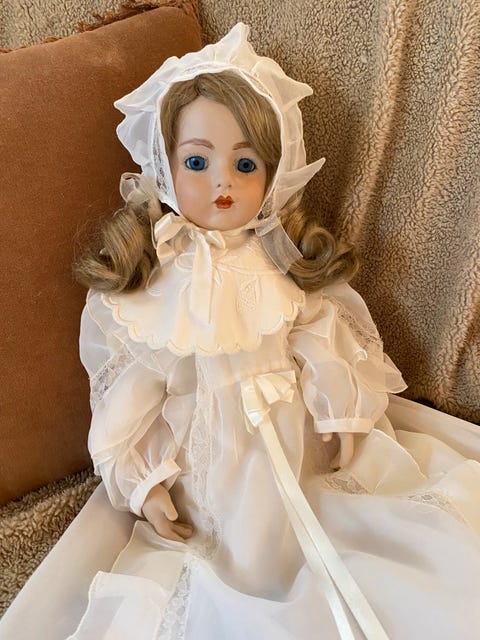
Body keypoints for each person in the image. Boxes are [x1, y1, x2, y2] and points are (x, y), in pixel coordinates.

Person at [69, 23, 480, 640]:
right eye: (197, 161)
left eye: (246, 163)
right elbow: (132, 394)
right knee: (246, 563)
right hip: (211, 461)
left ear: (274, 171)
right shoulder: (159, 283)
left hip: (295, 438)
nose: (223, 183)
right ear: (165, 165)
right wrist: (143, 480)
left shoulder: (275, 259)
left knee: (340, 529)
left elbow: (319, 335)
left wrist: (341, 410)